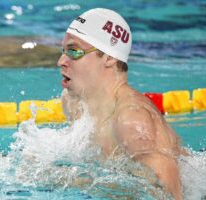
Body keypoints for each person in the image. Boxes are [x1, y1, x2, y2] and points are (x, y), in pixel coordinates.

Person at [58, 8, 186, 199]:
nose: (61, 61)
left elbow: (172, 192)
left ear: (109, 57)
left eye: (74, 51)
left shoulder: (131, 121)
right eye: (63, 51)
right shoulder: (73, 103)